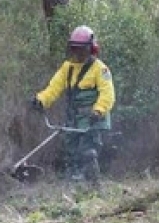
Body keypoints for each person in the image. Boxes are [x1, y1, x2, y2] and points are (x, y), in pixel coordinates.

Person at [31, 25, 115, 182]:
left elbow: (107, 93)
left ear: (91, 49)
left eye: (82, 49)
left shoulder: (100, 69)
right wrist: (41, 100)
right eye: (75, 49)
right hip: (74, 118)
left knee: (87, 150)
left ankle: (93, 183)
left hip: (93, 119)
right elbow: (53, 88)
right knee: (70, 150)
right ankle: (74, 182)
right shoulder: (67, 68)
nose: (78, 53)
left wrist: (98, 110)